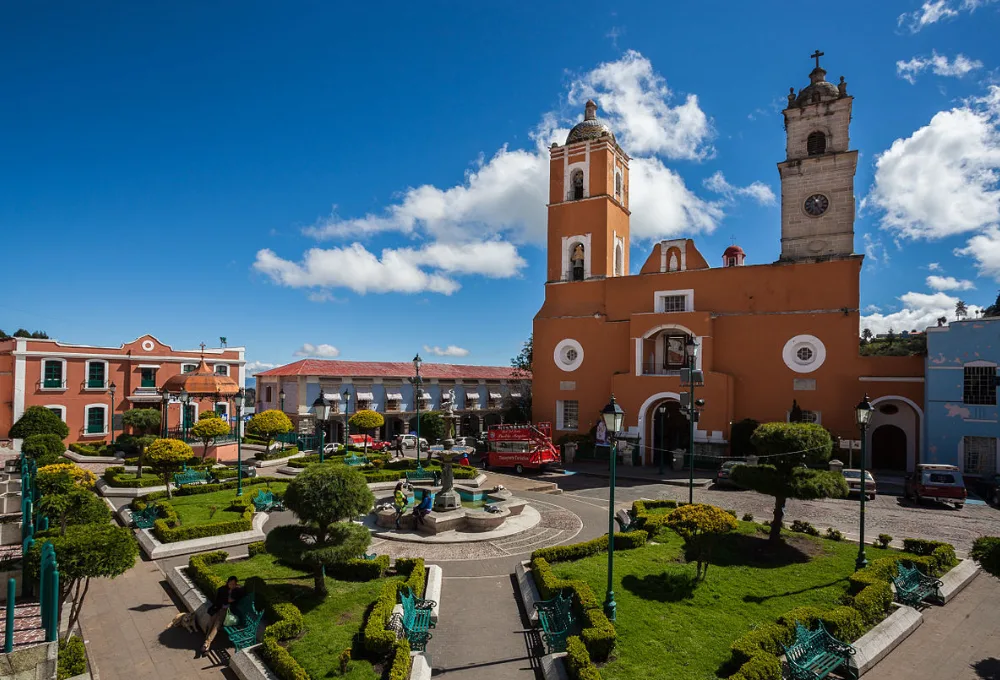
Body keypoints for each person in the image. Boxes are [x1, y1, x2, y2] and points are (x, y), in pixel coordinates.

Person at [200, 576, 245, 656]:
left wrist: (236, 589)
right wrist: (227, 600)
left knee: (217, 625)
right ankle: (206, 644)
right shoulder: (222, 589)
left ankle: (207, 643)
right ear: (227, 583)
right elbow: (218, 601)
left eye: (234, 584)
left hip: (227, 612)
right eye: (230, 584)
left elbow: (241, 594)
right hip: (218, 608)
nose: (232, 586)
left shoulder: (237, 591)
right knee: (211, 622)